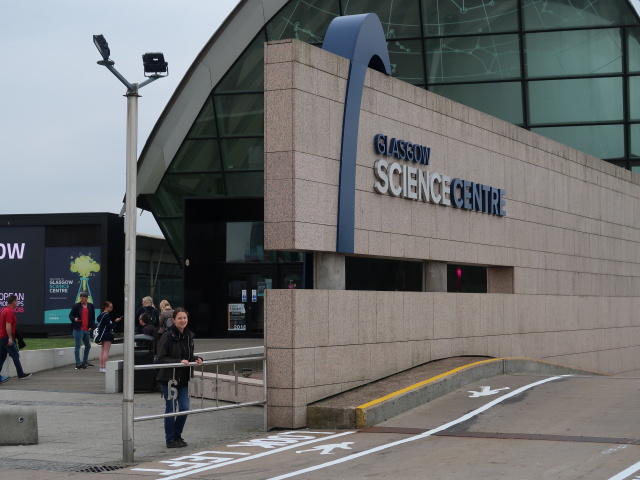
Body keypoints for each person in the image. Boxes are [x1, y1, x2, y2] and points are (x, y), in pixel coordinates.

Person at [155, 307, 203, 448]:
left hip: (183, 378)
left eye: (185, 318)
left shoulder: (189, 336)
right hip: (168, 378)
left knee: (185, 408)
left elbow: (187, 356)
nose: (183, 321)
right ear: (173, 320)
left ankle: (177, 435)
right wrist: (178, 362)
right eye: (180, 318)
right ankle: (170, 439)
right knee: (170, 408)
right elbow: (160, 358)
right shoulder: (167, 335)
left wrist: (197, 358)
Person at [0, 295, 32, 382]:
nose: (17, 302)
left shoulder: (5, 310)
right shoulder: (9, 311)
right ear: (13, 302)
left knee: (2, 357)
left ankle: (20, 374)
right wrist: (10, 338)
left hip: (2, 337)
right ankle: (21, 374)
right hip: (6, 337)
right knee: (15, 355)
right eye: (17, 301)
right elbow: (8, 325)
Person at [69, 291, 96, 369]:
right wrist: (75, 319)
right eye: (80, 298)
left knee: (88, 345)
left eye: (83, 298)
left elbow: (92, 317)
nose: (81, 299)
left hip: (86, 329)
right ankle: (78, 363)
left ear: (87, 298)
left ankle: (85, 362)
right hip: (78, 328)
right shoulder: (76, 306)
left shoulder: (91, 306)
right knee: (78, 346)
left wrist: (91, 326)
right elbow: (70, 315)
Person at [96, 301, 122, 373]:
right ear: (106, 307)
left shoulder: (101, 315)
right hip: (107, 334)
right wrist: (116, 321)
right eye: (110, 307)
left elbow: (99, 322)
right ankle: (104, 367)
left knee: (102, 351)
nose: (112, 308)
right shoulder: (106, 315)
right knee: (106, 351)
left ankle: (101, 367)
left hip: (101, 334)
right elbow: (109, 326)